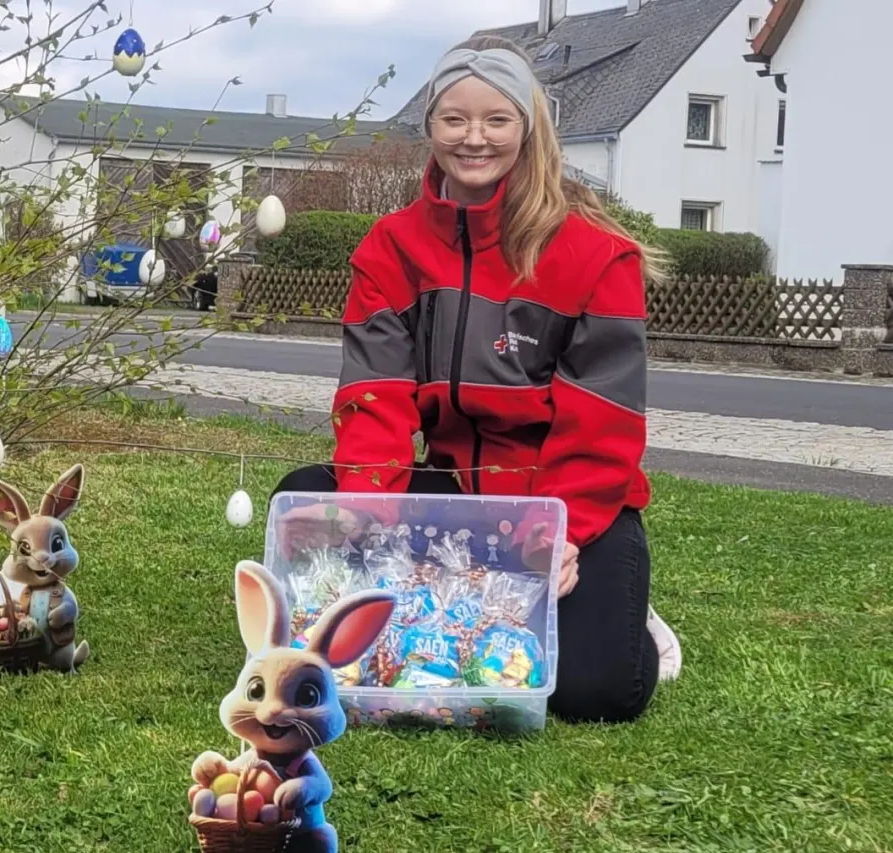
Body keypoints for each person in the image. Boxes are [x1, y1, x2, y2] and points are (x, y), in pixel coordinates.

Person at [273, 37, 680, 724]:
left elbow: (602, 423)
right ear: (430, 126)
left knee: (593, 695)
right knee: (304, 498)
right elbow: (375, 399)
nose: (474, 138)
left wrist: (561, 531)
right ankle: (441, 586)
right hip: (452, 498)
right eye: (454, 119)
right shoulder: (390, 248)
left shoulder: (597, 255)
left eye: (496, 119)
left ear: (529, 126)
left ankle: (628, 613)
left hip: (563, 505)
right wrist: (362, 509)